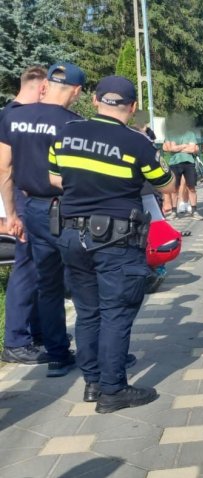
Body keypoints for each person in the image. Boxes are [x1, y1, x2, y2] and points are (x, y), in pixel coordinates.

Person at [50, 75, 174, 412]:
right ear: (132, 108)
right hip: (116, 239)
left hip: (72, 234)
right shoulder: (136, 143)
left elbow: (54, 177)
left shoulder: (66, 134)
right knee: (116, 313)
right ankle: (113, 389)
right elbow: (166, 184)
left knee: (88, 312)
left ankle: (91, 383)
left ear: (95, 101)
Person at [0, 62, 86, 377]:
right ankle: (96, 355)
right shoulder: (74, 124)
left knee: (47, 284)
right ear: (76, 91)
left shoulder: (13, 117)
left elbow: (4, 169)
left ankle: (57, 356)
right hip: (66, 209)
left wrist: (12, 214)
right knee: (84, 281)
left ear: (47, 84)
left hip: (31, 207)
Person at [0, 66, 49, 364]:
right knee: (27, 265)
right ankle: (16, 340)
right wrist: (11, 213)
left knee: (39, 267)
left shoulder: (8, 114)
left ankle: (38, 333)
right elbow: (4, 168)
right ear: (42, 87)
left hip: (22, 196)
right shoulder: (13, 118)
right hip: (20, 197)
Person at [163, 127, 202, 219]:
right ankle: (173, 212)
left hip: (189, 163)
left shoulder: (190, 133)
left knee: (191, 188)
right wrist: (185, 146)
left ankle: (194, 211)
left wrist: (176, 147)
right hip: (174, 163)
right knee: (174, 189)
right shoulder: (170, 133)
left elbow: (193, 149)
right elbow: (169, 148)